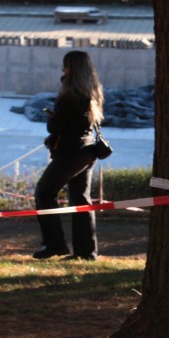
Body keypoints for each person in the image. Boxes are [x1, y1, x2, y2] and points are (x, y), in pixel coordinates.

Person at [33, 50, 103, 260]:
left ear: (69, 68)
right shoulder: (92, 91)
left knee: (44, 193)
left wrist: (52, 118)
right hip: (88, 150)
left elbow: (55, 127)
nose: (62, 70)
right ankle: (86, 251)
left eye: (64, 66)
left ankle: (54, 244)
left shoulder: (69, 94)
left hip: (70, 153)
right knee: (81, 199)